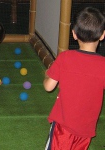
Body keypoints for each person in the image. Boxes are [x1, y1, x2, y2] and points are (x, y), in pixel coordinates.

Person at [43, 7, 105, 150]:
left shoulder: (65, 57)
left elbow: (48, 87)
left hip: (63, 128)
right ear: (102, 35)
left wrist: (47, 75)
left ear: (74, 34)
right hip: (86, 130)